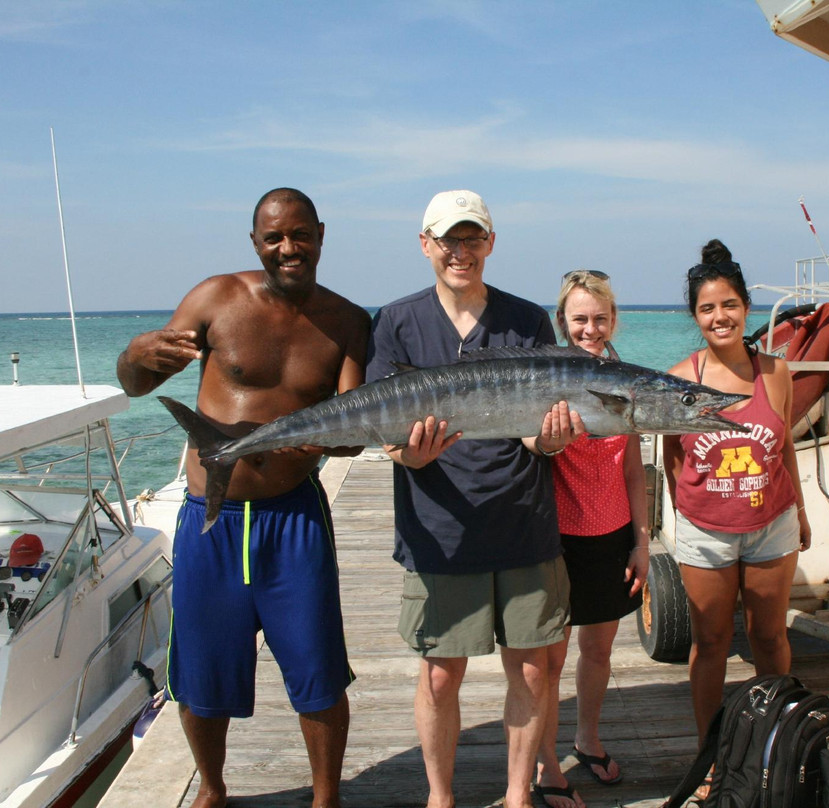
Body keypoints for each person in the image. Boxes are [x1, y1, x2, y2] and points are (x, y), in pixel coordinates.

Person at [116, 188, 370, 808]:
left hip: (294, 519)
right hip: (213, 522)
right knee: (201, 672)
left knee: (318, 671)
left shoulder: (348, 321)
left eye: (301, 235)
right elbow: (136, 383)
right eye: (275, 238)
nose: (289, 248)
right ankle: (212, 788)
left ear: (321, 235)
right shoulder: (215, 299)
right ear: (256, 243)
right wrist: (133, 354)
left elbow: (352, 434)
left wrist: (319, 446)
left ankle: (326, 797)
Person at [365, 190, 582, 808]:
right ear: (425, 244)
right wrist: (411, 455)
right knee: (439, 674)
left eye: (473, 239)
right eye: (448, 240)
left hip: (522, 520)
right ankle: (441, 797)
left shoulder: (526, 319)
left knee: (534, 668)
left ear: (491, 243)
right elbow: (386, 430)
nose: (461, 252)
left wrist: (548, 441)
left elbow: (541, 433)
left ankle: (517, 796)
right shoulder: (398, 322)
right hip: (440, 527)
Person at [662, 239, 812, 800]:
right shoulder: (680, 378)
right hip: (706, 534)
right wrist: (690, 515)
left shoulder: (776, 372)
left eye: (728, 305)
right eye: (706, 308)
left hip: (772, 524)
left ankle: (775, 747)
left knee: (771, 638)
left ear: (745, 308)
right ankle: (710, 757)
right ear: (695, 317)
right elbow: (672, 455)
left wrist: (799, 510)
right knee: (711, 643)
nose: (719, 317)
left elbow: (786, 445)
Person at [533, 270, 650, 808]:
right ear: (563, 321)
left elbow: (633, 468)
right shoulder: (544, 374)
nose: (590, 328)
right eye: (579, 318)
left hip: (612, 533)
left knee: (598, 651)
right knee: (549, 662)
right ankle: (546, 762)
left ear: (613, 320)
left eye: (600, 318)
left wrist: (641, 541)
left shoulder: (630, 381)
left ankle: (587, 738)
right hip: (557, 536)